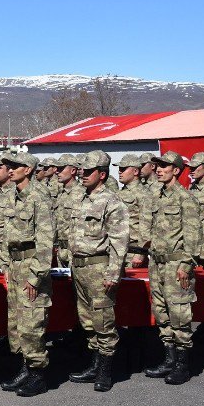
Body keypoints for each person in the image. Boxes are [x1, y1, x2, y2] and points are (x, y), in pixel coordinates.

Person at [67, 150, 129, 392]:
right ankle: (94, 365)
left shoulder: (112, 202)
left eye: (89, 171)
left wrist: (114, 273)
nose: (83, 174)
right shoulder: (81, 199)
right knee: (87, 321)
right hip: (79, 268)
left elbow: (119, 241)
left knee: (103, 321)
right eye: (82, 169)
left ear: (102, 175)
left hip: (99, 268)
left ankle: (105, 371)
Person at [140, 151, 201, 385]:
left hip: (177, 264)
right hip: (157, 263)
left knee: (179, 313)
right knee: (162, 312)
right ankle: (169, 358)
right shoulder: (155, 196)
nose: (158, 169)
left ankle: (182, 365)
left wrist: (186, 265)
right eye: (157, 166)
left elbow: (193, 237)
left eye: (164, 166)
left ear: (176, 170)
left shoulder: (186, 199)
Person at [0, 152, 54, 397]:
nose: (10, 170)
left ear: (28, 169)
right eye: (8, 166)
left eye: (15, 166)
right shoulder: (12, 196)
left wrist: (35, 275)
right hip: (15, 265)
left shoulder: (39, 196)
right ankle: (24, 368)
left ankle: (38, 374)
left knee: (32, 322)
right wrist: (5, 265)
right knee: (17, 324)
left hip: (32, 265)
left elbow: (45, 241)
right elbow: (7, 236)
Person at [115, 154, 150, 268]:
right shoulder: (119, 193)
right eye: (119, 169)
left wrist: (141, 253)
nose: (120, 172)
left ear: (135, 171)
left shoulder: (144, 193)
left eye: (123, 169)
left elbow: (147, 225)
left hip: (133, 252)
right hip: (117, 249)